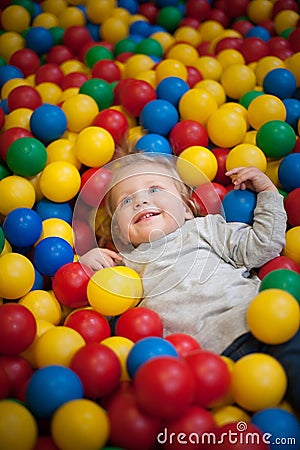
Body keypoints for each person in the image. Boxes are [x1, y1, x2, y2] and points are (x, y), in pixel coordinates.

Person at [79, 152, 300, 412]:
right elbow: (107, 315)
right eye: (126, 200)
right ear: (120, 232)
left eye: (153, 188)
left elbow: (264, 246)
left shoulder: (206, 228)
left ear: (185, 208)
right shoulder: (126, 266)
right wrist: (89, 264)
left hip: (262, 323)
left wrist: (267, 192)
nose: (141, 200)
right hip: (206, 365)